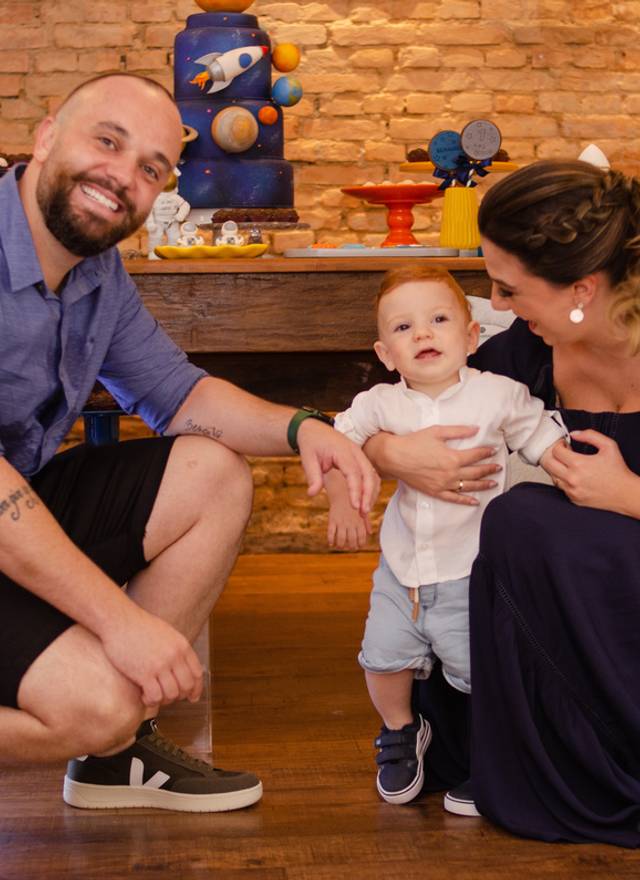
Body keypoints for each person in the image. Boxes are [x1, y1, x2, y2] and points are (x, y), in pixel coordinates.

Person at [0, 72, 379, 813]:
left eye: (150, 169)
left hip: (20, 508)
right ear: (47, 135)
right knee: (101, 707)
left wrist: (309, 430)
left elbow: (181, 396)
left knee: (214, 473)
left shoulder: (97, 274)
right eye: (107, 141)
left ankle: (116, 756)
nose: (122, 179)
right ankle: (112, 728)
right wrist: (124, 625)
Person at [364, 160, 640, 847]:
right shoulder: (524, 354)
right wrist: (392, 455)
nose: (498, 303)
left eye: (509, 288)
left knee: (525, 520)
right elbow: (387, 406)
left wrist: (627, 495)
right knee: (504, 536)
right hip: (579, 599)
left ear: (581, 288)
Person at [324, 265, 566, 805]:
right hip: (401, 569)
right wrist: (343, 501)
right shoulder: (379, 405)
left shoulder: (498, 395)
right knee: (381, 657)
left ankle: (494, 758)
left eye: (438, 319)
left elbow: (542, 436)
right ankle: (400, 729)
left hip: (468, 568)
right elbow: (335, 446)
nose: (424, 334)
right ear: (386, 354)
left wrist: (571, 471)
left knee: (478, 671)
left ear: (472, 335)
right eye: (404, 328)